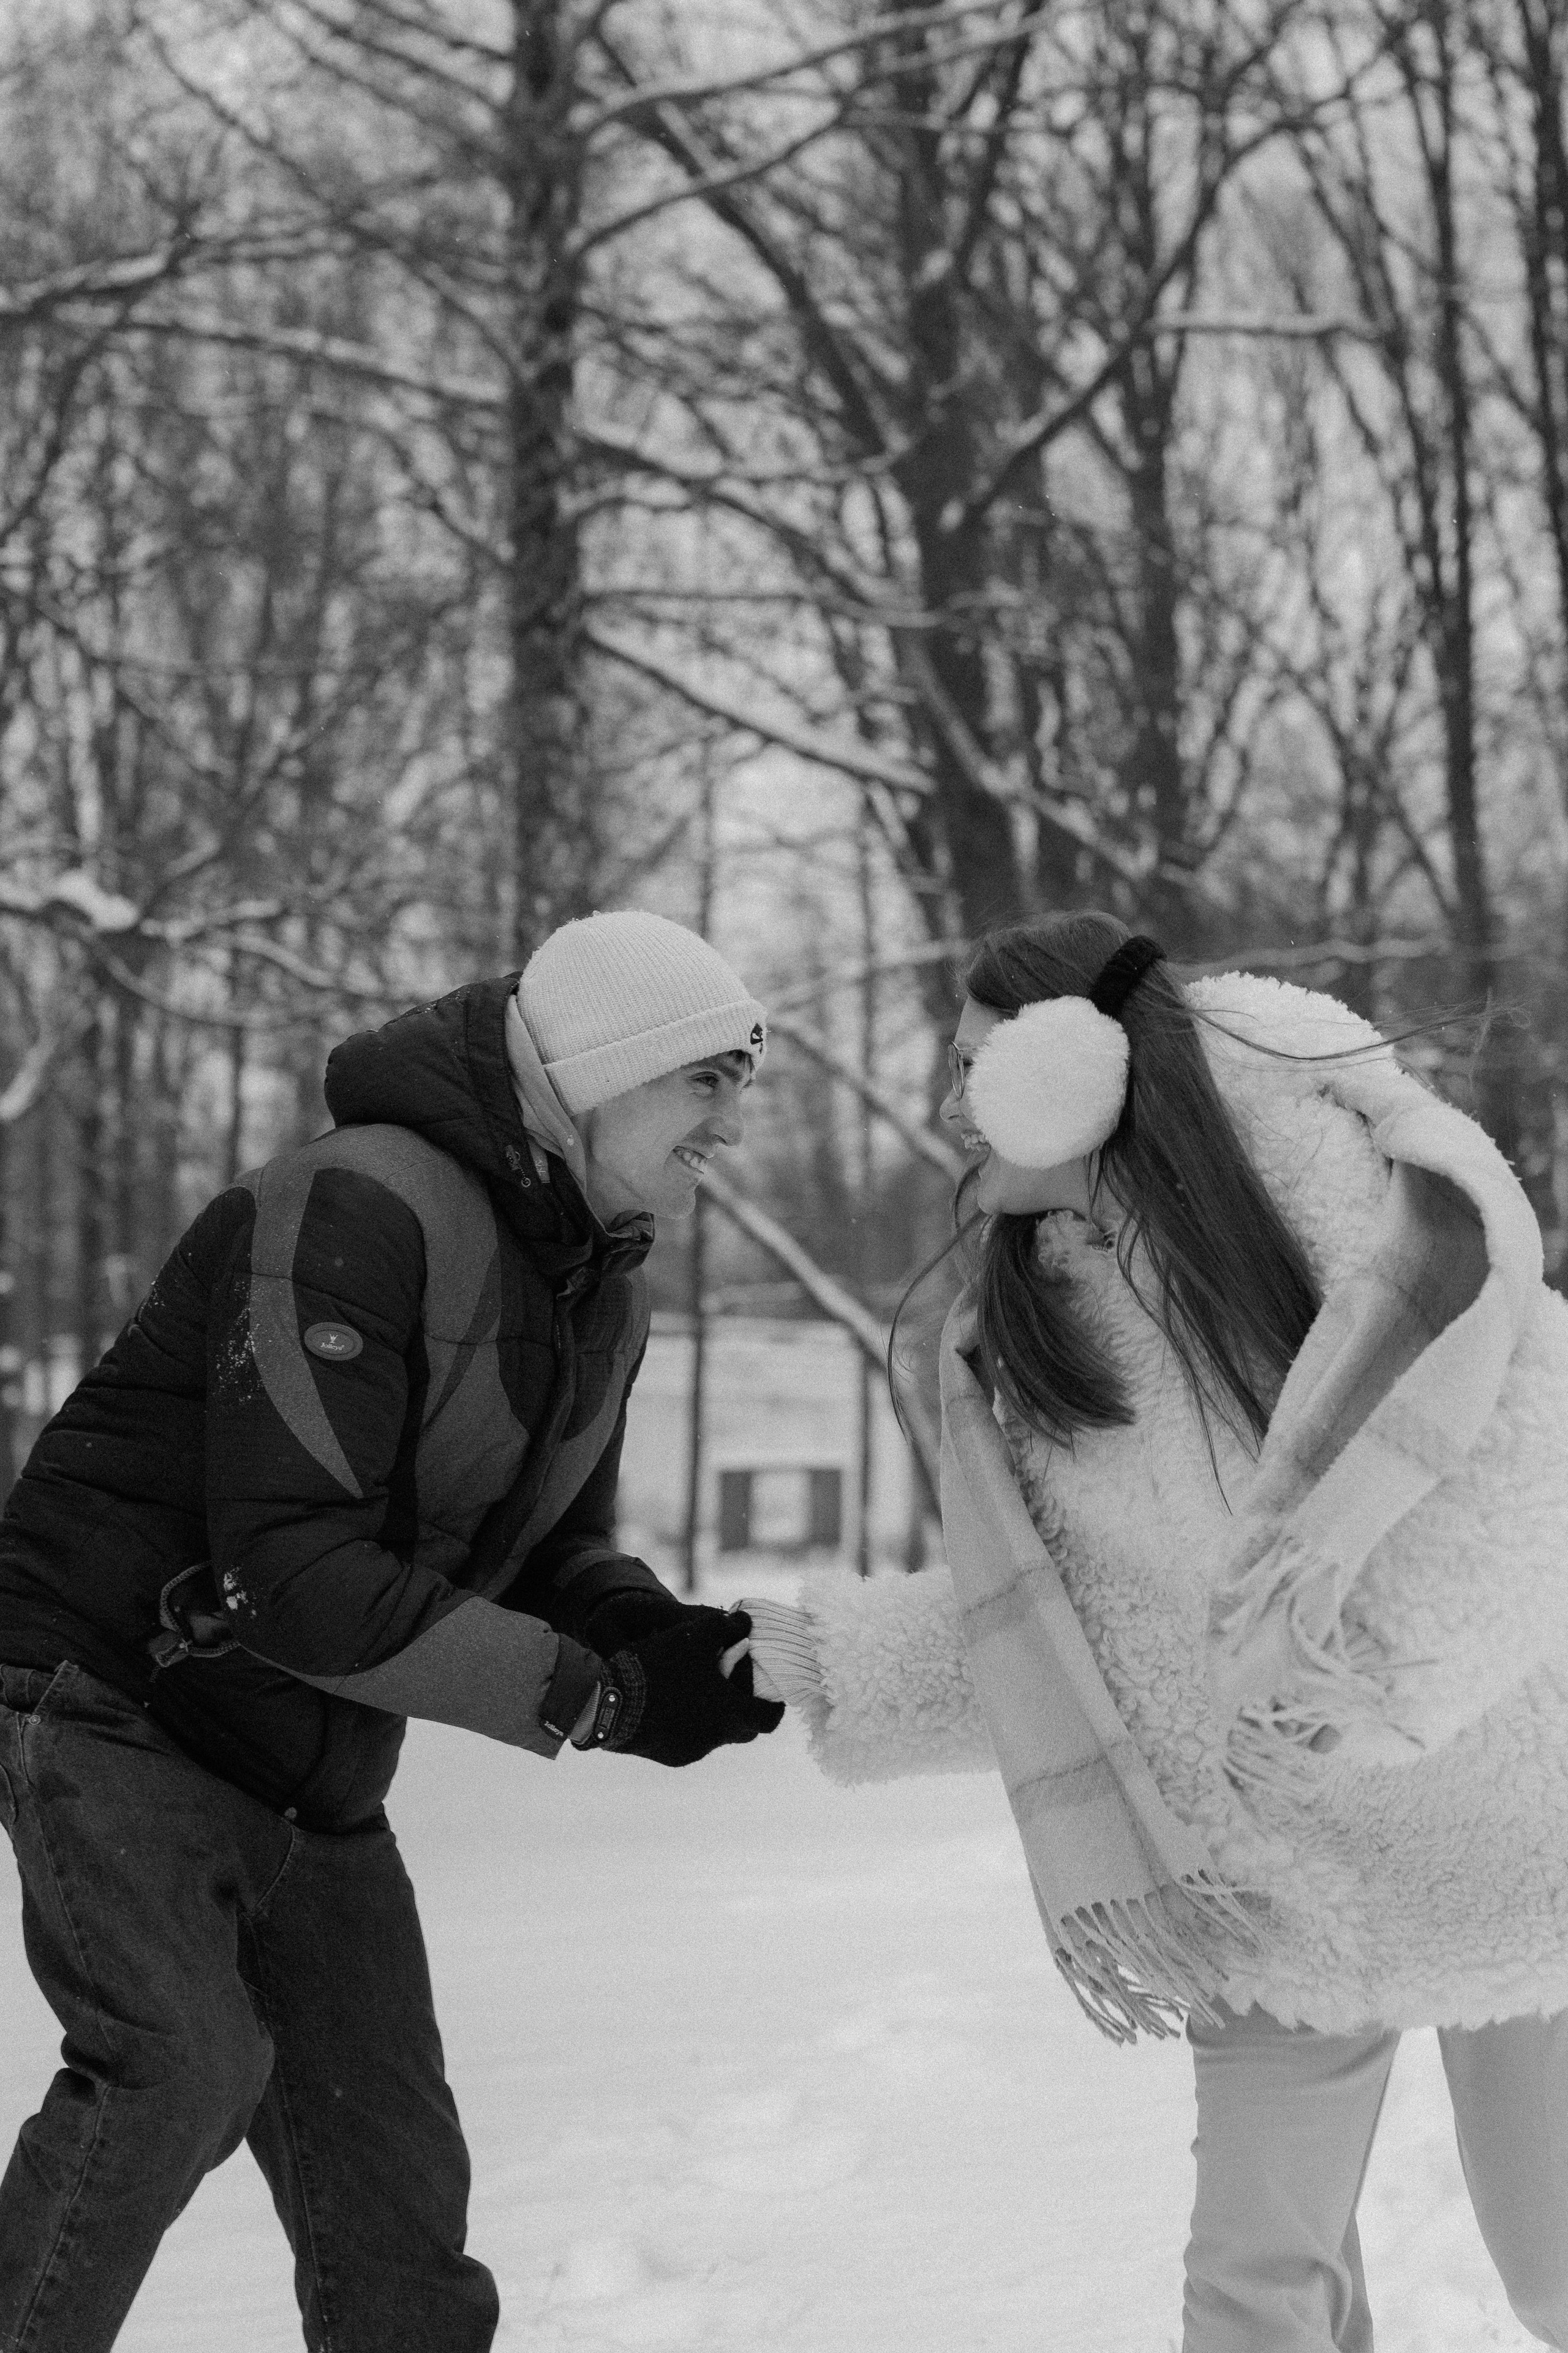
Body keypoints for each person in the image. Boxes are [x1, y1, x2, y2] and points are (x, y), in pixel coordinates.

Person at [747, 908, 1568, 2352]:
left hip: (1503, 1839)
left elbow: (1523, 1468)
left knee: (1551, 2262)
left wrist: (1378, 1685)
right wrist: (826, 1663)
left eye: (969, 1066)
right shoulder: (1044, 1311)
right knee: (1255, 2291)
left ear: (1072, 1066)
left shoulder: (1362, 1215)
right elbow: (1082, 1633)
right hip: (1278, 1879)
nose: (945, 1105)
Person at [0, 908, 783, 2353]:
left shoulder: (601, 1289)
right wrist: (596, 1702)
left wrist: (655, 1639)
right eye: (708, 1082)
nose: (730, 1126)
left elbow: (542, 1547)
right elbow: (289, 1568)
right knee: (178, 2064)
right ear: (602, 1074)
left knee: (395, 2198)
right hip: (119, 1697)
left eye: (744, 1084)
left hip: (307, 1750)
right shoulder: (356, 1207)